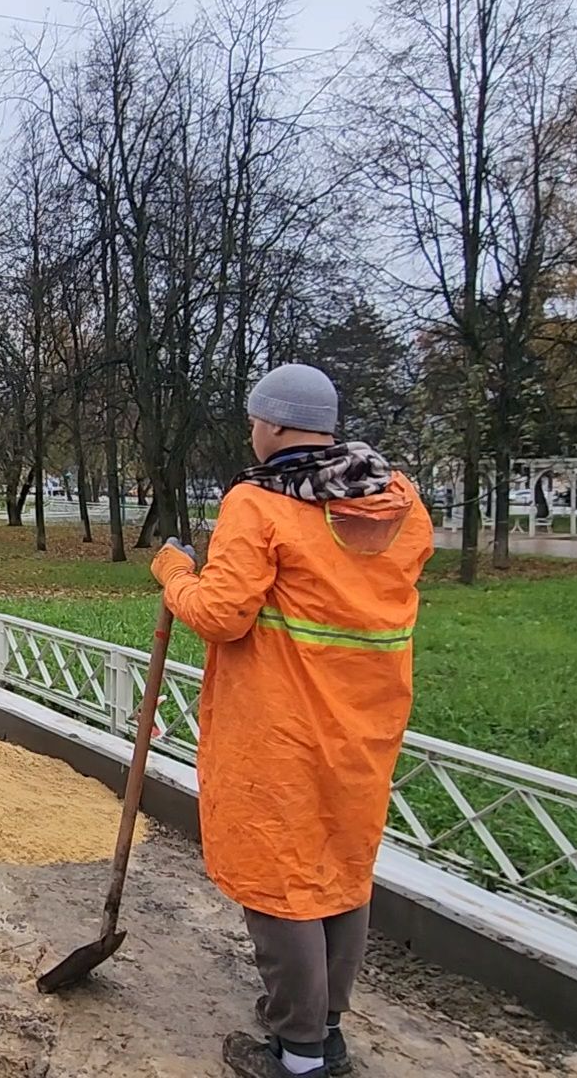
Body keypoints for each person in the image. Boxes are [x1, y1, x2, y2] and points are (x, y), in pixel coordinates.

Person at [148, 364, 434, 1078]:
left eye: (254, 421)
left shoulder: (260, 502)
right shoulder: (398, 501)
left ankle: (300, 1055)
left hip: (281, 724)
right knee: (339, 868)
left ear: (273, 425)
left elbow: (221, 613)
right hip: (365, 721)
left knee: (281, 880)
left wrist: (174, 574)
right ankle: (323, 1023)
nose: (253, 432)